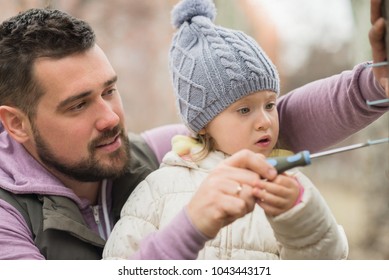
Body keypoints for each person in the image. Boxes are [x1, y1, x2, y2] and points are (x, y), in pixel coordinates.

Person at [0, 0, 387, 260]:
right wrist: (190, 227)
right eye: (79, 104)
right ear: (16, 122)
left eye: (110, 91)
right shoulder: (7, 218)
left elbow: (274, 121)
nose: (111, 118)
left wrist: (376, 85)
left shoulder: (165, 153)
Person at [102, 0, 349, 260]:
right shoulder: (159, 190)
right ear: (204, 124)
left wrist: (299, 216)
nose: (265, 121)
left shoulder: (290, 186)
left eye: (270, 104)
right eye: (244, 110)